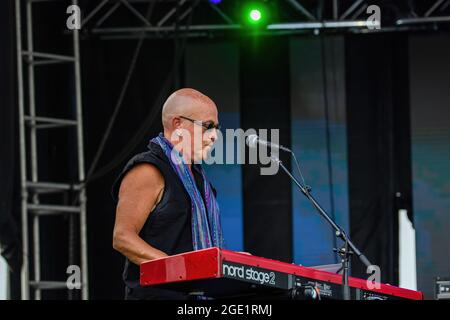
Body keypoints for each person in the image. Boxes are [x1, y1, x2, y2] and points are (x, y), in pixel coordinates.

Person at [111, 88, 223, 300]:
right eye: (207, 126)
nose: (214, 136)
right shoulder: (148, 170)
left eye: (217, 128)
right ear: (178, 124)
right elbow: (122, 237)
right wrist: (180, 269)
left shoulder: (201, 180)